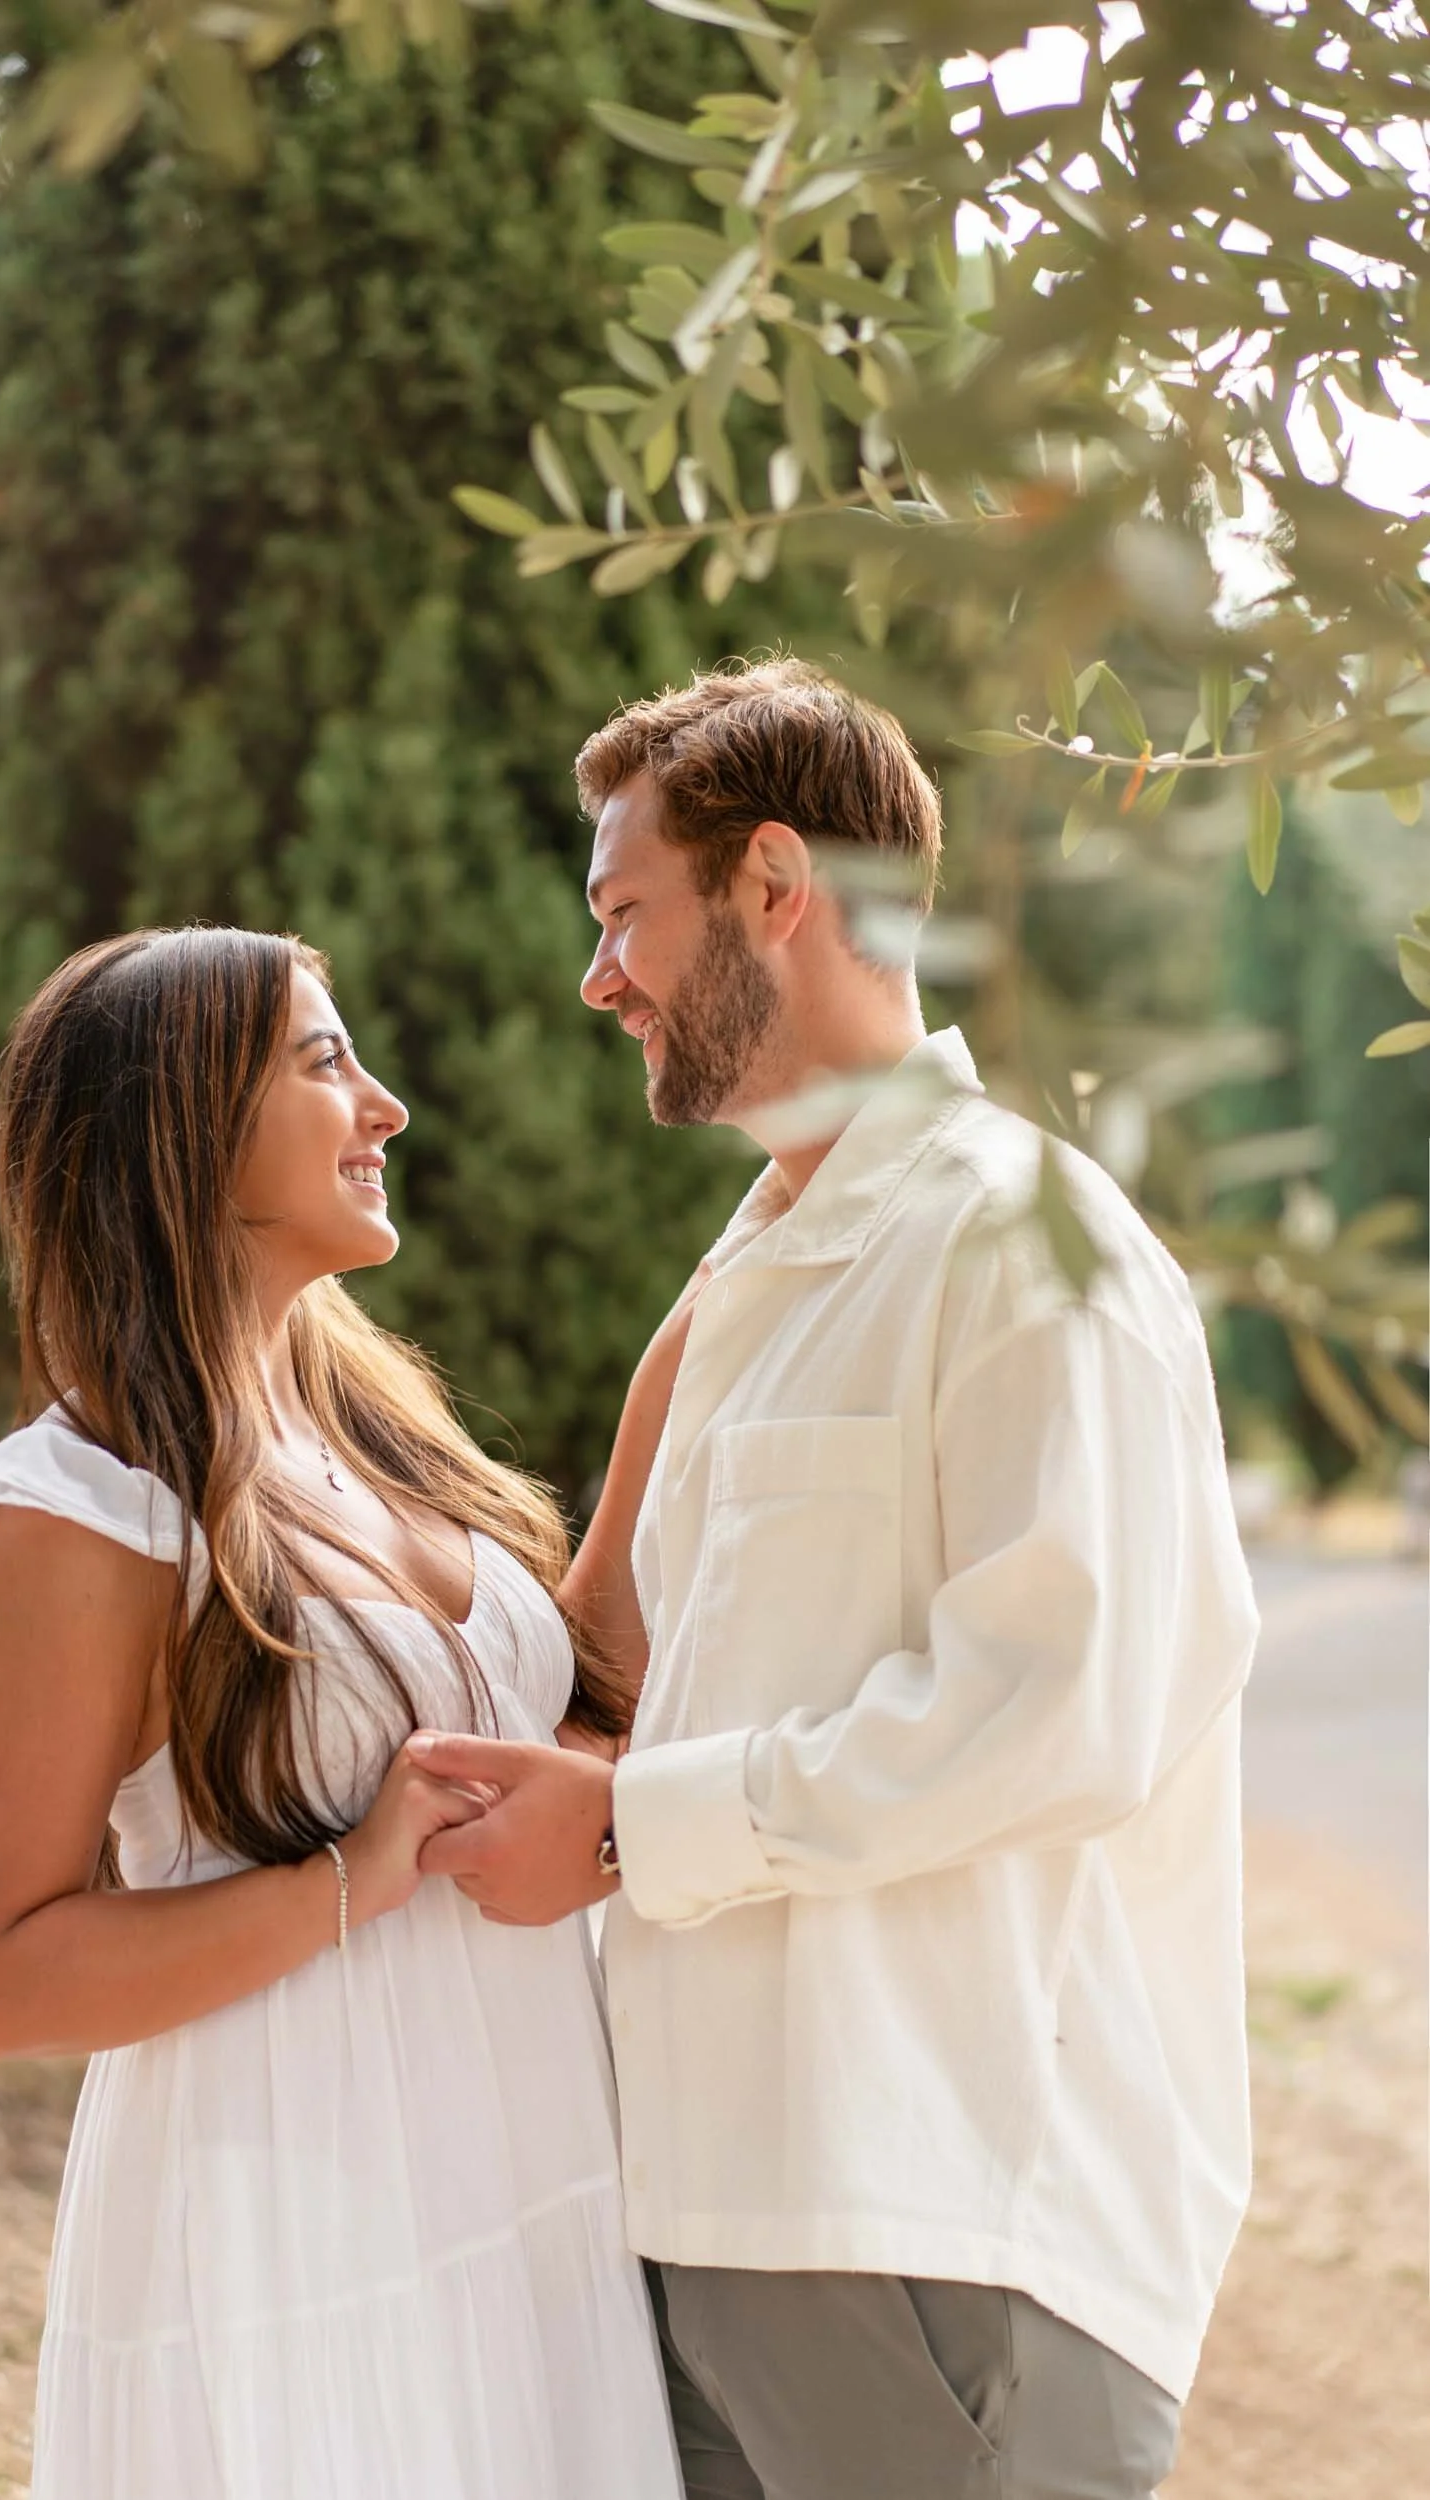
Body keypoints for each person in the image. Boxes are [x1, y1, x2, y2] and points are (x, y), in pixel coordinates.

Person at [411, 658, 1260, 2500]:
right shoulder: (747, 1283)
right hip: (715, 2208)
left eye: (623, 913)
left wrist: (630, 1831)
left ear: (775, 886)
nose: (597, 978)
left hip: (945, 2223)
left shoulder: (1027, 1250)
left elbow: (1052, 1715)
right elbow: (631, 1671)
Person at [0, 927, 684, 2500]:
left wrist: (682, 1365)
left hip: (526, 2171)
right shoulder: (87, 1507)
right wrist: (347, 1880)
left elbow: (556, 1715)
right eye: (323, 1063)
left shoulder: (371, 1419)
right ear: (178, 1124)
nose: (384, 1107)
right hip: (288, 2213)